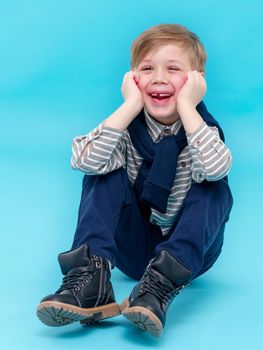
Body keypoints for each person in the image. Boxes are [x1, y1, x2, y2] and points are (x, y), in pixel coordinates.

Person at [36, 24, 233, 337]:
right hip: (133, 249)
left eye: (173, 69)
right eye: (147, 68)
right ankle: (91, 280)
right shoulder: (125, 128)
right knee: (102, 169)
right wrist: (129, 105)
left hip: (187, 256)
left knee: (215, 187)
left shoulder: (202, 131)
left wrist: (187, 106)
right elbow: (84, 160)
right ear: (133, 79)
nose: (158, 77)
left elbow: (216, 168)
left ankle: (158, 288)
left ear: (196, 81)